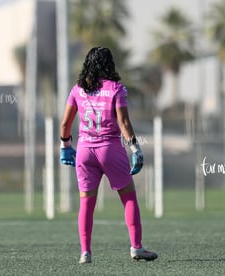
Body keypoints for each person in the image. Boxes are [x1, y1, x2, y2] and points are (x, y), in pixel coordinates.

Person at [59, 46, 158, 264]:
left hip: (85, 151)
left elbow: (66, 123)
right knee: (129, 197)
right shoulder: (117, 88)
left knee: (86, 203)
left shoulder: (77, 89)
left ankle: (85, 252)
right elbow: (123, 123)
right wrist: (135, 149)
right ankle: (136, 247)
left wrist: (65, 146)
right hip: (110, 149)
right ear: (109, 64)